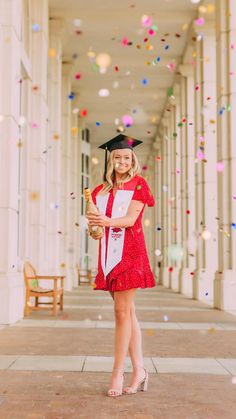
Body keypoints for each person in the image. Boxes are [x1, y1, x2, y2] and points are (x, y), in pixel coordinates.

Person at [86, 134, 156, 397]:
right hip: (108, 256)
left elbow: (129, 220)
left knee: (120, 312)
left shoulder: (139, 185)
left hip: (130, 253)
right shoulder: (99, 191)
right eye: (117, 157)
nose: (122, 161)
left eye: (127, 157)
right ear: (110, 160)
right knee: (128, 314)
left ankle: (118, 371)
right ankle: (140, 370)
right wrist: (94, 227)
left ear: (132, 160)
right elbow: (95, 230)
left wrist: (103, 221)